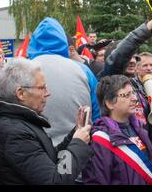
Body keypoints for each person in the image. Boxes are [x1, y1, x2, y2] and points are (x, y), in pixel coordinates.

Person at [0, 58, 92, 184]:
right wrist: (78, 144)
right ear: (21, 93)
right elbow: (56, 180)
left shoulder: (20, 123)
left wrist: (74, 136)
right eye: (42, 88)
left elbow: (51, 159)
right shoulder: (15, 134)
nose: (48, 93)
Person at [28, 18, 100, 146]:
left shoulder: (21, 70)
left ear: (33, 42)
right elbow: (97, 112)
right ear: (63, 41)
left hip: (33, 148)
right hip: (79, 146)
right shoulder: (83, 70)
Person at [82, 75, 152, 185]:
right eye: (126, 95)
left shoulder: (140, 131)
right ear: (109, 103)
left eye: (133, 93)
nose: (135, 98)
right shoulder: (100, 140)